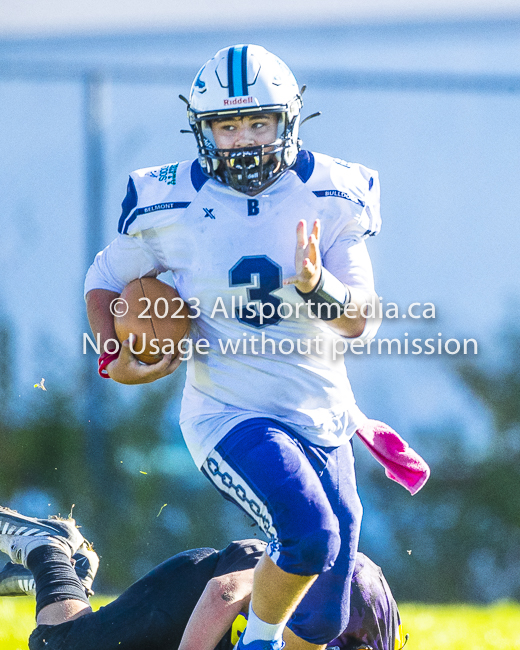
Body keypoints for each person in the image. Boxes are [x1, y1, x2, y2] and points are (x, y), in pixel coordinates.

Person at [85, 44, 383, 650]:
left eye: (259, 122)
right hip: (229, 411)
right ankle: (257, 643)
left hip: (322, 414)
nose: (244, 139)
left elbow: (362, 321)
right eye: (228, 125)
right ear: (204, 131)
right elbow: (105, 278)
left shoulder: (333, 191)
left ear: (287, 122)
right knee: (309, 534)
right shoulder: (170, 201)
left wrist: (316, 285)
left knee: (325, 612)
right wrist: (118, 356)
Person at [0, 506, 406, 650]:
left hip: (225, 624)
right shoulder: (343, 608)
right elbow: (226, 590)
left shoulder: (365, 629)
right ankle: (47, 550)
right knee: (62, 645)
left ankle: (64, 579)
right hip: (203, 589)